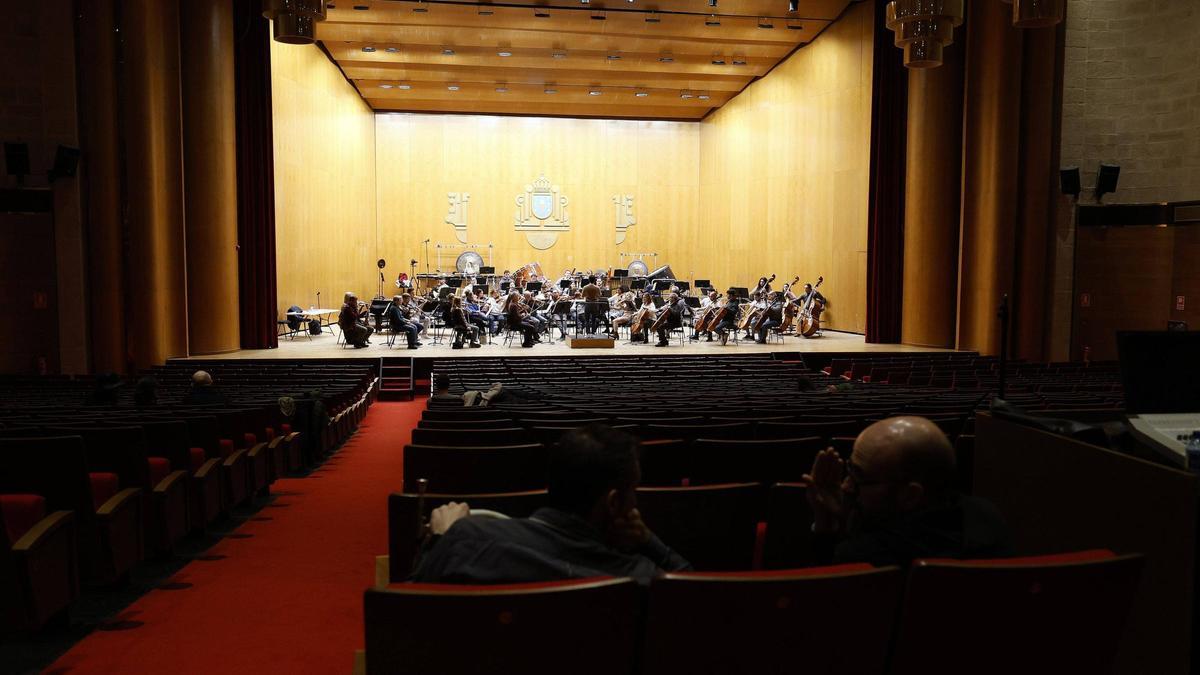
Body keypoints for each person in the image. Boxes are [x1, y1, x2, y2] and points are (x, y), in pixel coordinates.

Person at [411, 424, 691, 584]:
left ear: (550, 485)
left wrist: (439, 538)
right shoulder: (641, 576)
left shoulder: (467, 541)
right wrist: (649, 542)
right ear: (615, 503)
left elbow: (410, 599)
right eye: (633, 493)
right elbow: (693, 589)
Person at [801, 416, 1012, 567]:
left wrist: (825, 529)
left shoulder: (862, 557)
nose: (846, 486)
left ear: (911, 495)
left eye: (859, 477)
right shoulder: (988, 517)